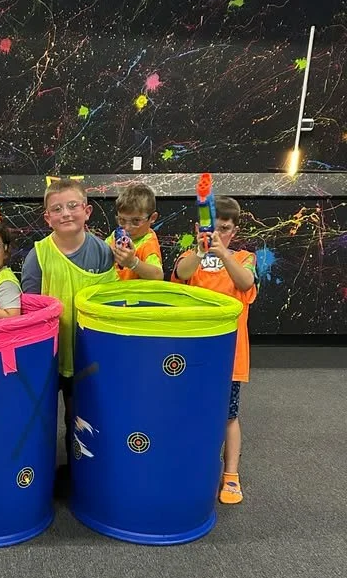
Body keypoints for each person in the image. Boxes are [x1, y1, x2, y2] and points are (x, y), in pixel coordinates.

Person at [21, 179, 117, 464]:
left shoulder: (103, 253)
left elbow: (109, 306)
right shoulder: (37, 256)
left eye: (73, 206)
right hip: (47, 356)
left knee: (80, 416)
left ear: (87, 211)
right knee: (38, 416)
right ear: (47, 218)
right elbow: (29, 312)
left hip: (87, 356)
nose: (65, 213)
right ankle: (40, 473)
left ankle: (78, 471)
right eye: (57, 209)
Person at [172, 195, 258, 505]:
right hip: (192, 356)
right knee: (188, 411)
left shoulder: (245, 258)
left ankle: (231, 474)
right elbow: (181, 274)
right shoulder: (190, 256)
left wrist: (222, 253)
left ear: (234, 231)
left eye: (224, 228)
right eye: (211, 228)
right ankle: (188, 465)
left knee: (228, 416)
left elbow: (246, 283)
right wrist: (201, 250)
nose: (217, 234)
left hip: (229, 359)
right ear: (197, 228)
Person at [107, 182, 163, 280]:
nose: (127, 228)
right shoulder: (116, 234)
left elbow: (158, 276)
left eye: (136, 221)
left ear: (152, 218)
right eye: (122, 220)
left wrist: (132, 263)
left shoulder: (148, 244)